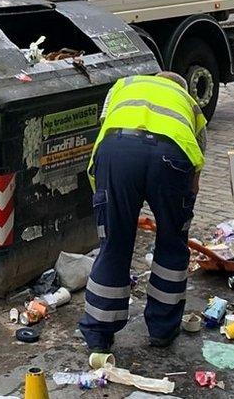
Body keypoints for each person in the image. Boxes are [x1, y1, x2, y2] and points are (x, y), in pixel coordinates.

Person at [79, 72, 207, 353]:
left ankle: (99, 334)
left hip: (118, 152)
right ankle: (162, 330)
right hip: (172, 156)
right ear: (181, 87)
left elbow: (105, 124)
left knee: (114, 244)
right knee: (172, 244)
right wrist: (181, 212)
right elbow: (197, 165)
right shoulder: (190, 103)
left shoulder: (124, 85)